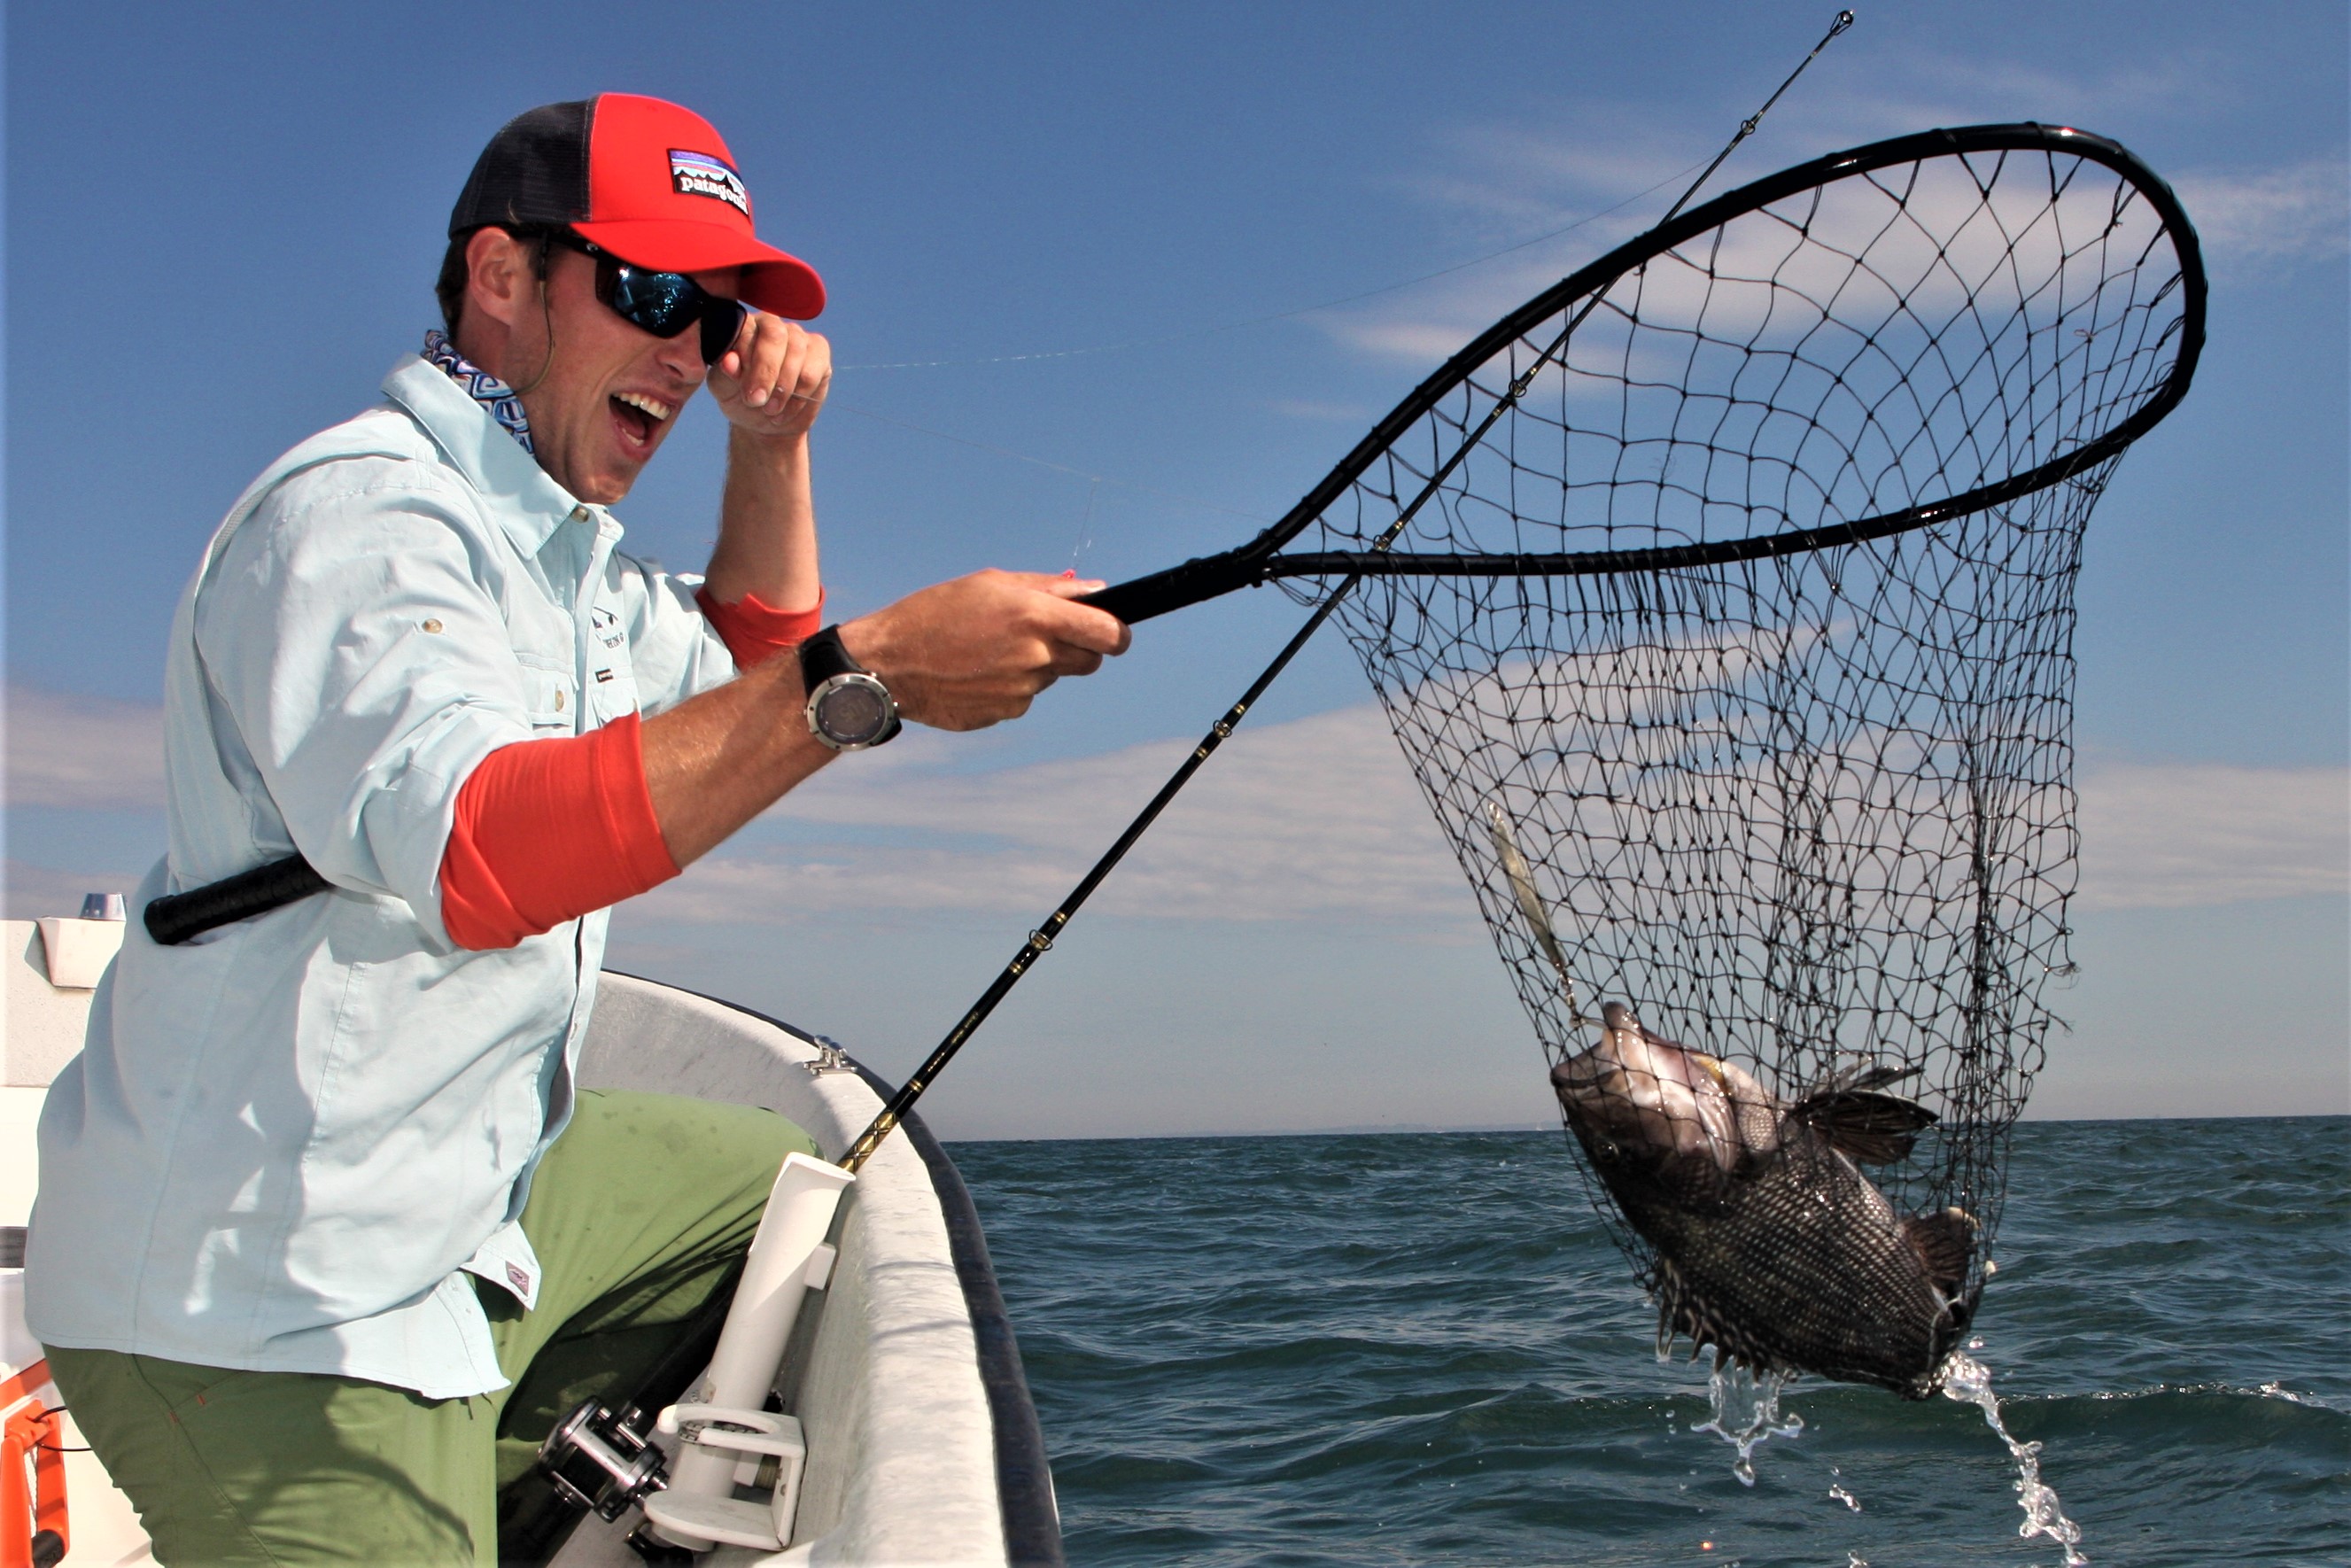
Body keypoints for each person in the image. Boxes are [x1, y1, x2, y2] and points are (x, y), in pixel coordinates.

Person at [24, 93, 1129, 1564]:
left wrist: (773, 441)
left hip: (461, 1196)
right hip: (264, 1297)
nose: (689, 347)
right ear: (500, 279)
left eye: (721, 314)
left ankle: (491, 1465)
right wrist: (865, 672)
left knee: (792, 1198)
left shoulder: (568, 559)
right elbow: (485, 848)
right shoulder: (365, 518)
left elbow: (744, 683)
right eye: (651, 290)